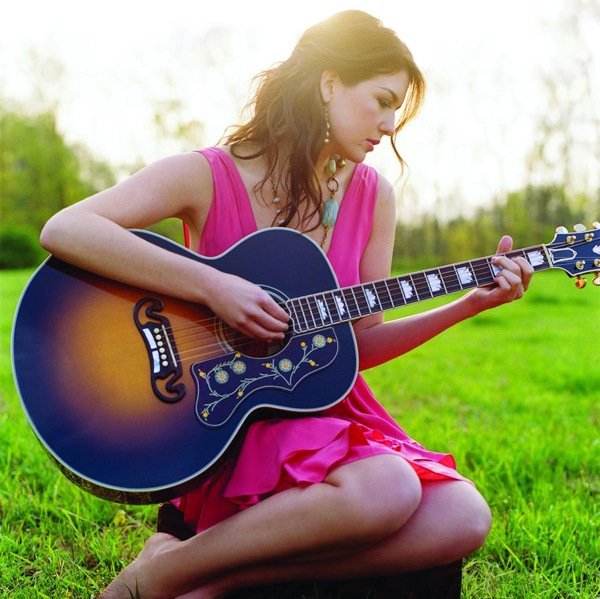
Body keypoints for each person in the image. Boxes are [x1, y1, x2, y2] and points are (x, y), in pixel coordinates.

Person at [40, 10, 533, 599]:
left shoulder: (373, 196)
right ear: (329, 83)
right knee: (390, 488)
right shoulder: (209, 175)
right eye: (381, 101)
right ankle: (167, 575)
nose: (388, 126)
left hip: (325, 412)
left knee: (465, 516)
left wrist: (467, 306)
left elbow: (359, 343)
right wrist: (214, 286)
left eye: (396, 111)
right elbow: (67, 229)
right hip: (227, 417)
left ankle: (183, 574)